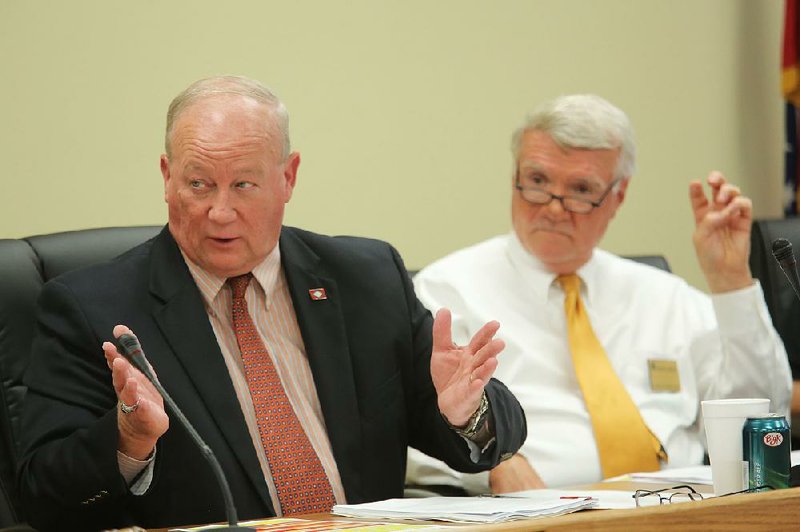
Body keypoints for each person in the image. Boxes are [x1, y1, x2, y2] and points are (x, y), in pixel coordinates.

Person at [17, 76, 526, 530]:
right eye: (198, 184)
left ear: (288, 177)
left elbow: (489, 443)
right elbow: (43, 498)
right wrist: (128, 441)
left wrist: (467, 411)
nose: (220, 211)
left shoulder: (365, 278)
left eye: (243, 184)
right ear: (167, 176)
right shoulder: (93, 309)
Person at [405, 94, 792, 494]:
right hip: (533, 516)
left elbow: (759, 421)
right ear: (514, 176)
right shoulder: (447, 291)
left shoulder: (664, 296)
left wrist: (731, 282)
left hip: (679, 509)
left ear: (618, 196)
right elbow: (422, 431)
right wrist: (493, 464)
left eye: (580, 189)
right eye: (537, 182)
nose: (554, 208)